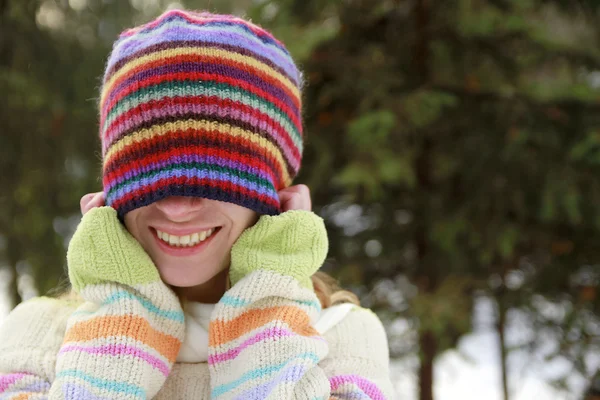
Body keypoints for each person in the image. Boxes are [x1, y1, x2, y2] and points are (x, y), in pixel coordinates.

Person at [0, 9, 394, 399]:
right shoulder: (40, 335)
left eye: (215, 180)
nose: (176, 208)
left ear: (274, 191)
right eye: (147, 178)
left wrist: (267, 301)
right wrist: (123, 321)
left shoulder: (339, 335)